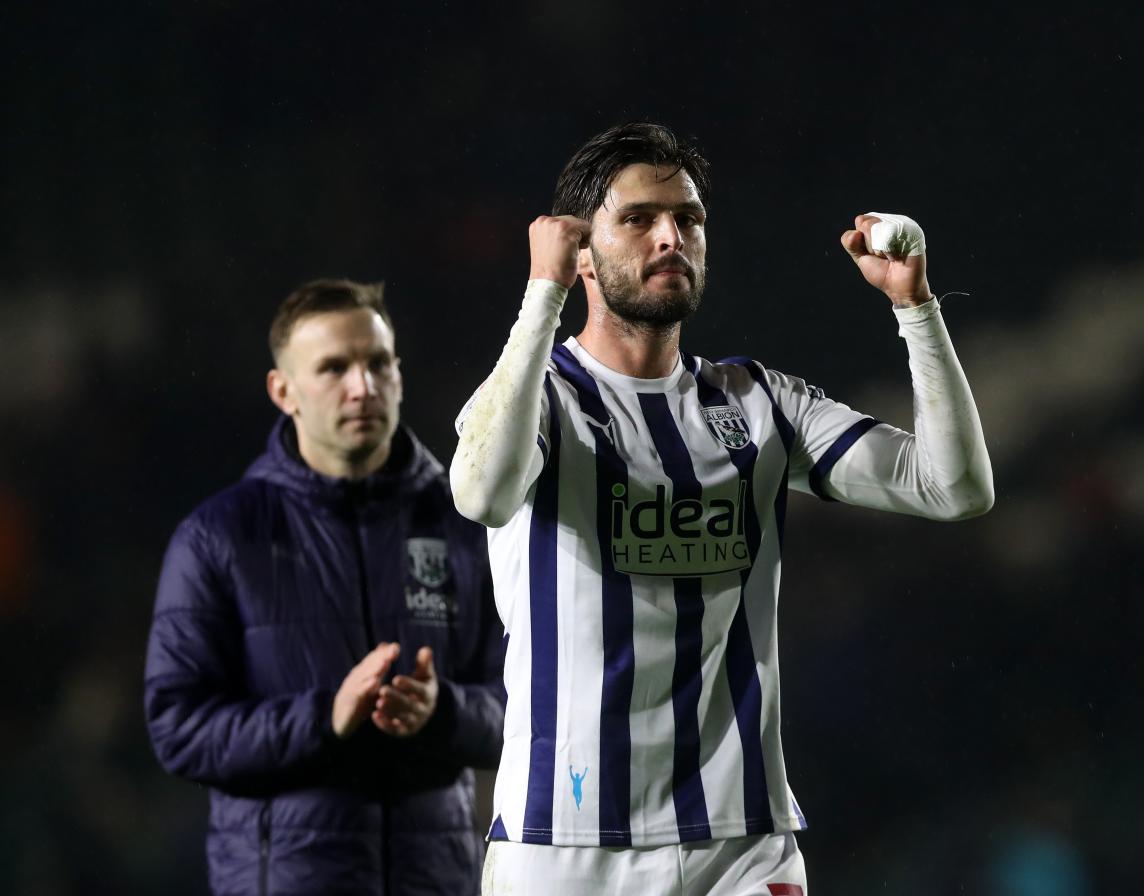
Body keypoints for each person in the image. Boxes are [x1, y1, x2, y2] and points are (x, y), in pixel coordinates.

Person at [450, 123, 995, 896]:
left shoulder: (760, 401)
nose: (671, 236)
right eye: (639, 219)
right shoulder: (540, 397)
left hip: (740, 845)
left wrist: (916, 308)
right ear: (579, 249)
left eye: (689, 218)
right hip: (564, 844)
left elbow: (955, 487)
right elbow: (481, 492)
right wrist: (543, 297)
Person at [145, 279, 505, 896]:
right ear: (282, 391)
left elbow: (533, 710)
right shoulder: (219, 538)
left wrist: (441, 711)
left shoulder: (468, 526)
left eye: (377, 363)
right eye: (334, 367)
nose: (361, 386)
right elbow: (178, 727)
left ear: (399, 374)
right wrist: (324, 719)